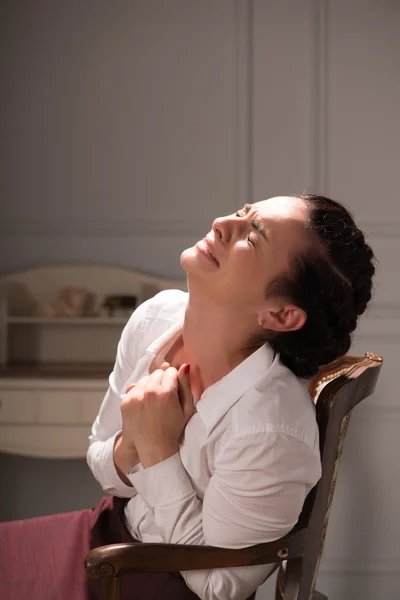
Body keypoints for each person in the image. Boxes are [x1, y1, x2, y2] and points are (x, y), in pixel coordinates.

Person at [0, 194, 376, 600]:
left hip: (150, 580)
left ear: (281, 314)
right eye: (241, 212)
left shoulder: (272, 430)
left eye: (252, 238)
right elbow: (104, 469)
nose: (221, 223)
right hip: (105, 532)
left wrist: (159, 451)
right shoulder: (154, 319)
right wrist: (132, 445)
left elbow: (218, 587)